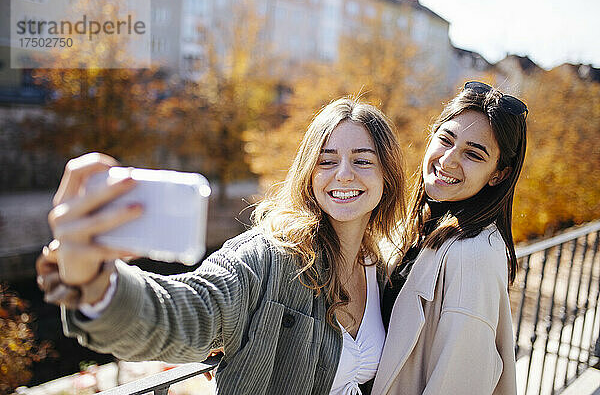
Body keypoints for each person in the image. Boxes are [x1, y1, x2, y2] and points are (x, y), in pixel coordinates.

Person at [36, 97, 407, 394]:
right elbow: (187, 314)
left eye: (362, 160)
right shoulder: (270, 258)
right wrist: (97, 283)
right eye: (327, 161)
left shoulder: (380, 266)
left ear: (387, 176)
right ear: (308, 174)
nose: (343, 173)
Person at [372, 81, 527, 395]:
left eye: (473, 154)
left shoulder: (474, 256)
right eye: (446, 139)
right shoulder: (422, 223)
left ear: (499, 174)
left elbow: (458, 383)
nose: (448, 160)